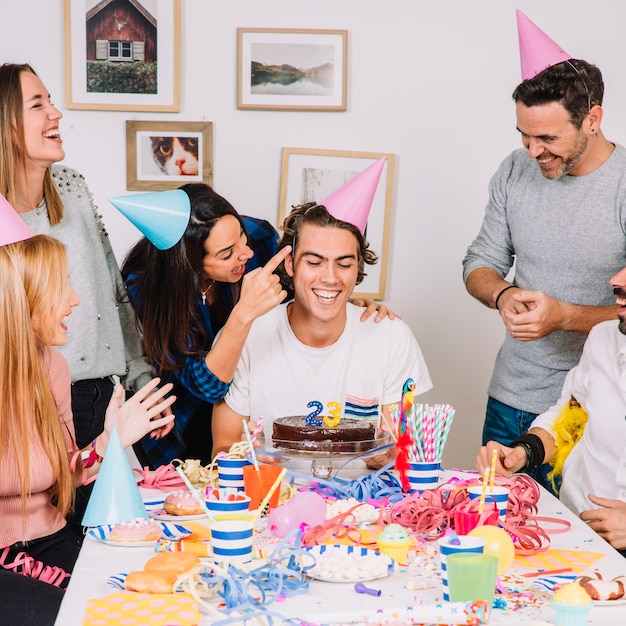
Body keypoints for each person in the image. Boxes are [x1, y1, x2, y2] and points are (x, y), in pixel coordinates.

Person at [462, 11, 626, 490]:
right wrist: (502, 296)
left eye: (548, 138)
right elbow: (480, 263)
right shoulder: (514, 171)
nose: (532, 152)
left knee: (574, 545)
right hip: (511, 398)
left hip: (595, 411)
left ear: (592, 119)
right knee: (496, 529)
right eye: (524, 135)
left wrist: (563, 316)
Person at [118, 183, 392, 468]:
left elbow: (303, 282)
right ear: (189, 263)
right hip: (180, 419)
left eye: (240, 235)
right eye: (227, 254)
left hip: (238, 401)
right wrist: (243, 313)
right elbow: (207, 387)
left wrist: (342, 301)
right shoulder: (150, 290)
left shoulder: (258, 240)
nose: (245, 254)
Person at [0, 215, 175, 625]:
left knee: (145, 605)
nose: (75, 300)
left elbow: (64, 475)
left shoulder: (52, 366)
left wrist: (110, 440)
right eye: (61, 287)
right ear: (19, 297)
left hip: (50, 538)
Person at [211, 159, 432, 469]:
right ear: (290, 265)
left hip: (364, 512)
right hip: (271, 508)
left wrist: (389, 456)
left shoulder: (392, 338)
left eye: (343, 264)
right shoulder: (247, 336)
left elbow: (402, 448)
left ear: (358, 268)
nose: (330, 277)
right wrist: (245, 458)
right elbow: (221, 446)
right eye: (314, 262)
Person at [476, 264, 626, 555]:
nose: (615, 280)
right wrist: (521, 453)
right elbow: (571, 417)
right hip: (578, 535)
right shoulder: (603, 338)